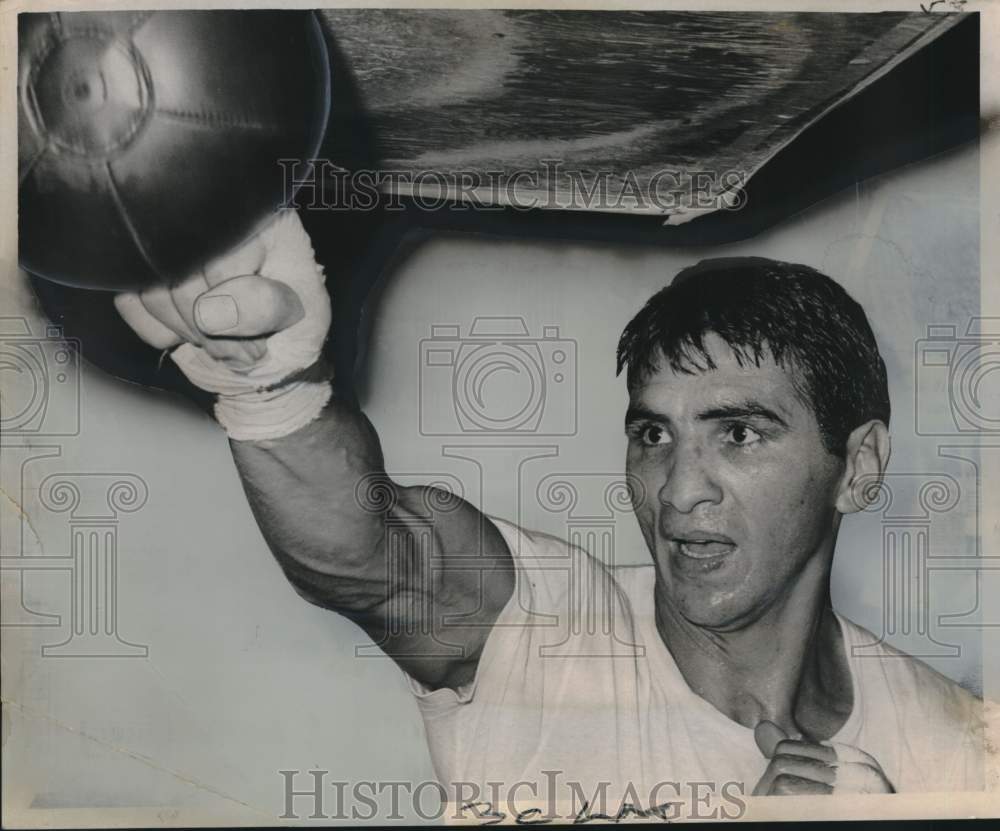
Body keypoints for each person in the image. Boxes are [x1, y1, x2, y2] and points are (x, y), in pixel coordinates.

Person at [112, 209, 983, 811]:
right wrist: (267, 385)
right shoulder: (554, 634)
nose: (679, 491)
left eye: (740, 434)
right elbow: (371, 554)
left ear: (858, 466)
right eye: (652, 435)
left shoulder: (956, 746)